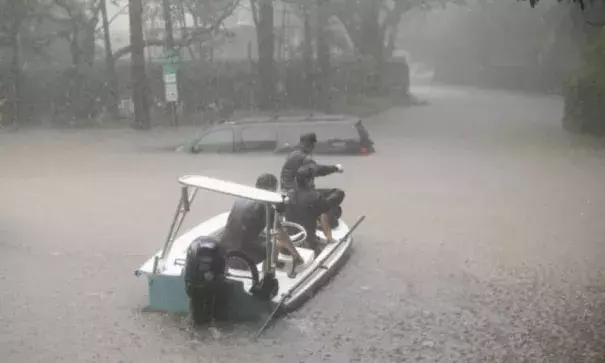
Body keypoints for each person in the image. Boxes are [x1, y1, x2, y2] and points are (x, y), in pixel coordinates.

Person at [220, 173, 303, 270]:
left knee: (263, 238)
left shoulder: (241, 199)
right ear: (270, 189)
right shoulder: (266, 206)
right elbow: (281, 235)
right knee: (274, 244)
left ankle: (271, 263)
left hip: (224, 252)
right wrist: (295, 254)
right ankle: (269, 272)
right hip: (241, 259)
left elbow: (248, 224)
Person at [280, 132, 345, 226]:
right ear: (312, 144)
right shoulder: (305, 158)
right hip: (301, 192)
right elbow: (319, 170)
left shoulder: (291, 155)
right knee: (338, 193)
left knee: (335, 208)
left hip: (288, 193)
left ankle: (321, 213)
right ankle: (320, 213)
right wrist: (336, 168)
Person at [285, 165, 345, 255]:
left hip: (291, 238)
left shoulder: (289, 194)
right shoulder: (316, 196)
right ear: (309, 181)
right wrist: (329, 238)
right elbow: (324, 216)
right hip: (307, 239)